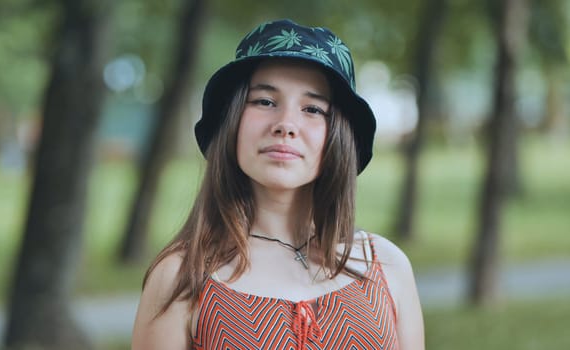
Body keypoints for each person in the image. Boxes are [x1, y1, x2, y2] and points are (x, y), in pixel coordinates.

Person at [132, 19, 424, 350]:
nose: (286, 125)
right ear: (232, 121)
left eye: (313, 109)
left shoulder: (386, 267)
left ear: (338, 137)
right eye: (265, 102)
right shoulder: (182, 279)